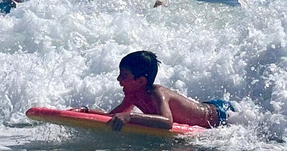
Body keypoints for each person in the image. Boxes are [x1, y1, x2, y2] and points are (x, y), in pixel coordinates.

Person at [86, 50, 231, 131]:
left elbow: (167, 122)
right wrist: (86, 111)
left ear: (141, 81)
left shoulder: (158, 93)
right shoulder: (133, 96)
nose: (118, 79)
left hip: (221, 113)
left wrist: (130, 117)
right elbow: (113, 116)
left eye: (124, 76)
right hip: (210, 110)